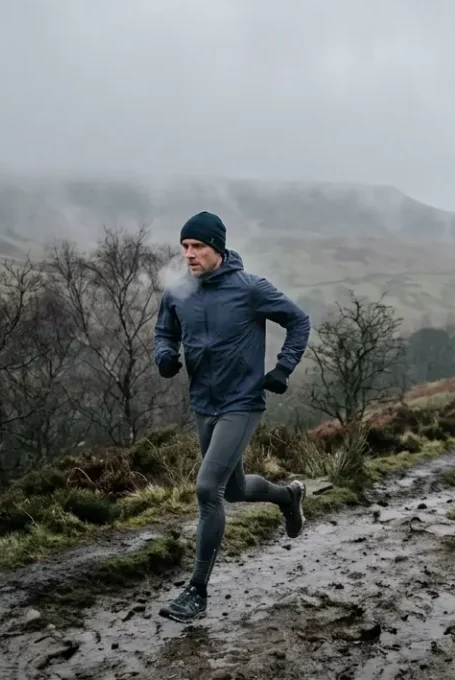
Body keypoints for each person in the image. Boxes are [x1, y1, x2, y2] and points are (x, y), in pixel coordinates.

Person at [153, 210, 311, 624]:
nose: (189, 254)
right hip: (203, 403)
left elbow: (298, 320)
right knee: (235, 489)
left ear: (217, 249)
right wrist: (165, 355)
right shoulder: (178, 292)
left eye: (197, 246)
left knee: (208, 489)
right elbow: (165, 331)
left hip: (241, 401)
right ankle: (287, 496)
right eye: (185, 246)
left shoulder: (249, 289)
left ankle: (197, 591)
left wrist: (282, 368)